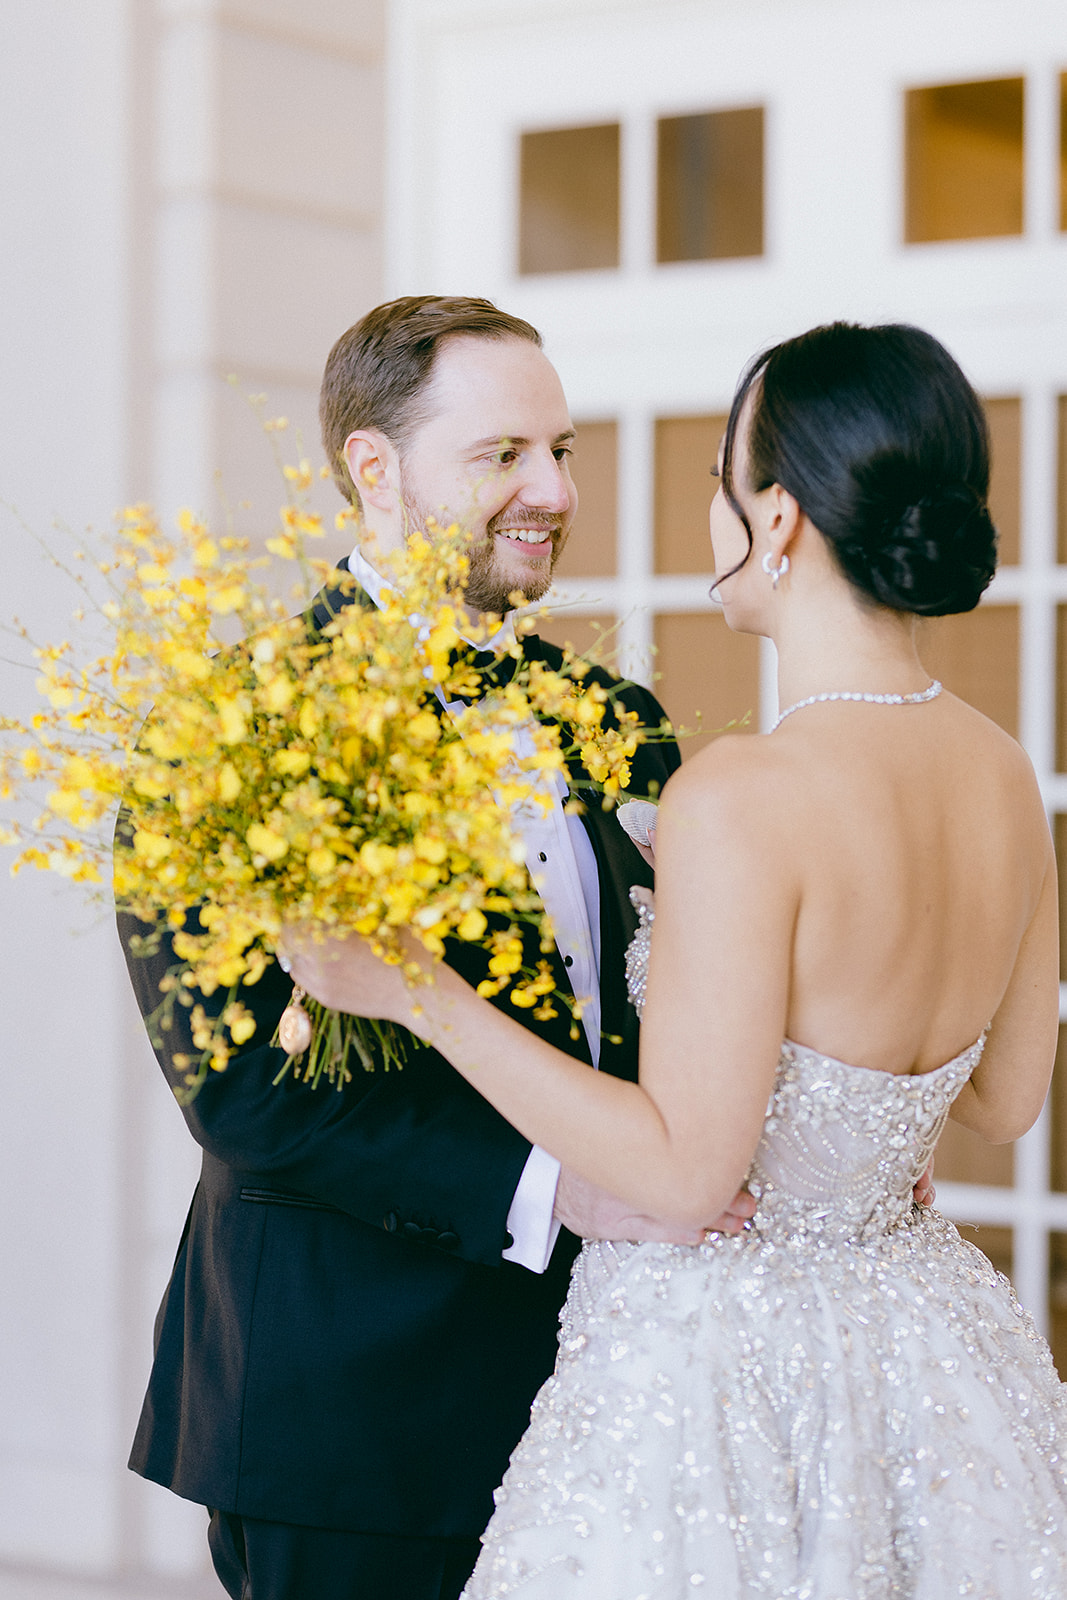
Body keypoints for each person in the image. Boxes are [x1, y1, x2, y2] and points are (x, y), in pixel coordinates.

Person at [286, 321, 1067, 1597]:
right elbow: (1000, 1098)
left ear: (775, 521)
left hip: (720, 1375)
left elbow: (687, 1165)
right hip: (923, 1355)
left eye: (715, 477)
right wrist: (856, 1143)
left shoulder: (742, 792)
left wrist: (408, 987)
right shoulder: (1003, 775)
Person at [118, 295, 755, 1600]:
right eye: (501, 454)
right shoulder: (233, 726)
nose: (551, 490)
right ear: (372, 466)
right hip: (350, 1411)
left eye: (560, 451)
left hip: (613, 1389)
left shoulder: (613, 720)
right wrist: (556, 1191)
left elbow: (686, 996)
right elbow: (245, 1092)